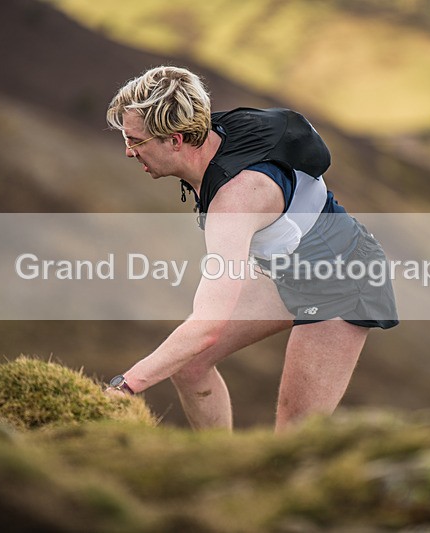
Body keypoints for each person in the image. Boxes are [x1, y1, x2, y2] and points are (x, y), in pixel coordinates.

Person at [104, 66, 397, 432]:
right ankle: (218, 467)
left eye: (135, 141)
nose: (129, 152)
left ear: (175, 140)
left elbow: (207, 326)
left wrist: (126, 386)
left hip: (342, 281)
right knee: (190, 365)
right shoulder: (216, 131)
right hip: (286, 269)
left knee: (292, 439)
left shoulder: (237, 199)